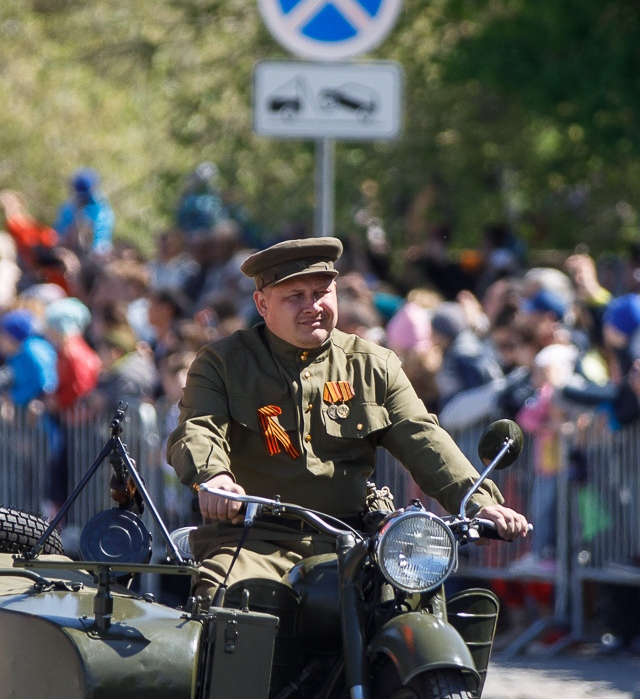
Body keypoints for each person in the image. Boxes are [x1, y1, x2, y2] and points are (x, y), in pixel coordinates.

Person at [167, 237, 529, 596]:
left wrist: (479, 503)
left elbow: (422, 438)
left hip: (353, 540)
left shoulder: (373, 364)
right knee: (228, 601)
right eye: (295, 296)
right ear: (262, 304)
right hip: (254, 540)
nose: (312, 306)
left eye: (322, 292)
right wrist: (213, 477)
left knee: (415, 611)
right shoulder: (223, 363)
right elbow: (199, 428)